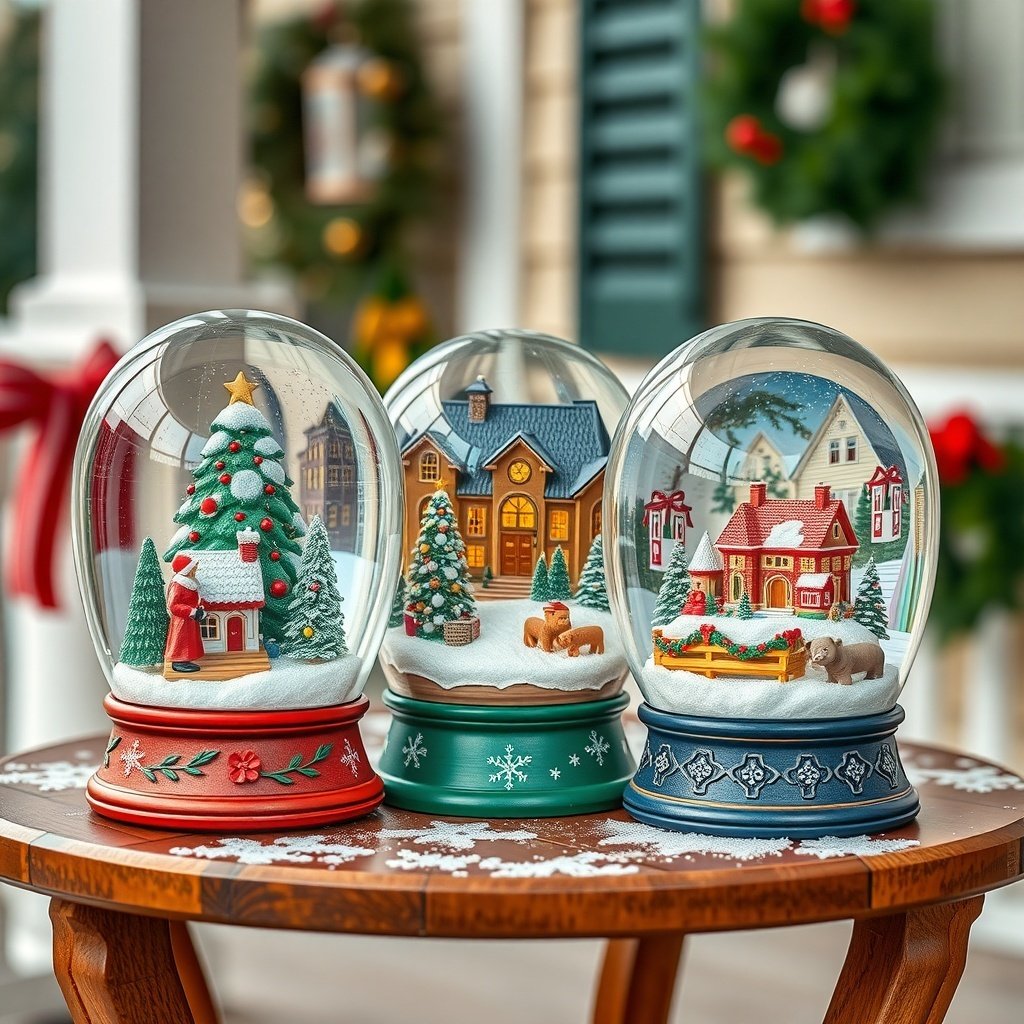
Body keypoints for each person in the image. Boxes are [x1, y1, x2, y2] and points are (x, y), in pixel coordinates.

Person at [164, 554, 206, 673]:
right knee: (181, 641)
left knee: (189, 641)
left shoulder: (189, 583)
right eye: (193, 569)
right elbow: (173, 605)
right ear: (186, 569)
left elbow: (194, 598)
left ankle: (185, 659)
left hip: (189, 620)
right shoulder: (178, 585)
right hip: (182, 621)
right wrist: (191, 611)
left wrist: (199, 607)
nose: (195, 571)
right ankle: (179, 661)